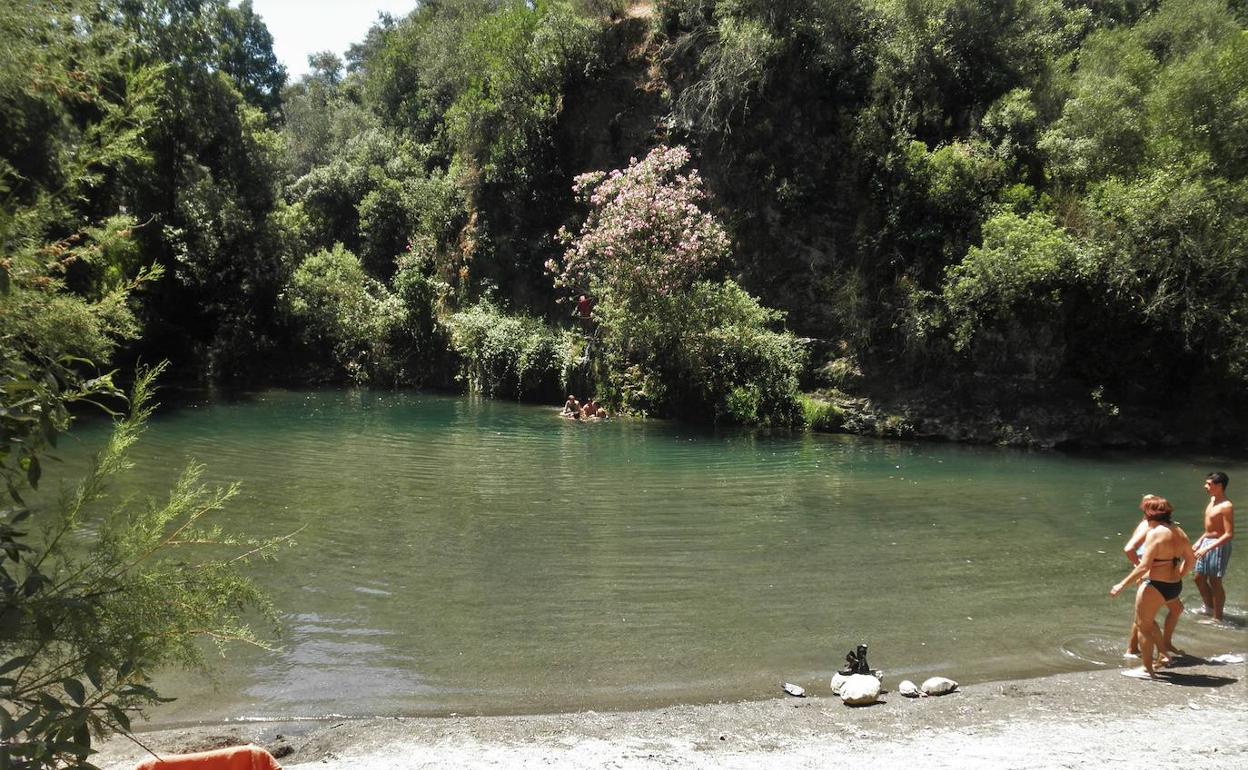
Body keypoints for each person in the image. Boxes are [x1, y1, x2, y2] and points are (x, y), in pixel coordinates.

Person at [1110, 495, 1196, 679]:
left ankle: (1147, 670)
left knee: (1143, 626)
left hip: (1155, 586)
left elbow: (1144, 566)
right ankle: (1163, 652)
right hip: (1174, 586)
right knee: (1149, 621)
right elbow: (1191, 559)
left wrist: (1121, 584)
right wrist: (1180, 574)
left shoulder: (1155, 533)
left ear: (1149, 514)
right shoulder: (1179, 531)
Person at [1123, 496, 1184, 659]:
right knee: (1145, 616)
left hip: (1156, 571)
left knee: (1148, 614)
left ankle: (1155, 647)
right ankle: (1140, 648)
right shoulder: (1146, 525)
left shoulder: (1159, 526)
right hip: (1151, 572)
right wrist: (1139, 567)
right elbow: (1129, 548)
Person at [1193, 471, 1234, 621]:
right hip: (1207, 541)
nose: (1205, 486)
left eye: (1209, 484)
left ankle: (1218, 618)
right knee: (1198, 578)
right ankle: (1210, 609)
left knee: (1215, 581)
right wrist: (1200, 541)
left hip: (1219, 545)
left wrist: (1207, 548)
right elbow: (1210, 529)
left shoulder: (1226, 506)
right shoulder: (1212, 500)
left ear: (1220, 486)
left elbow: (1228, 534)